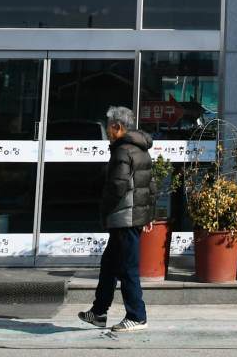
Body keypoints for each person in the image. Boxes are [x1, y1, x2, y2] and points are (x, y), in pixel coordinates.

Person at [78, 105, 154, 334]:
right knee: (110, 265)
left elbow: (117, 187)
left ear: (118, 127)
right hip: (130, 217)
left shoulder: (122, 150)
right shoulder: (140, 149)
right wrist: (148, 215)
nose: (107, 131)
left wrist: (105, 210)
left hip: (124, 217)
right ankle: (98, 312)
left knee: (127, 267)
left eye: (109, 126)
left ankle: (137, 316)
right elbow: (150, 185)